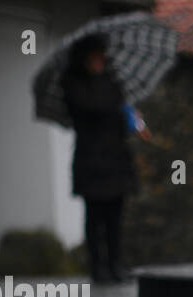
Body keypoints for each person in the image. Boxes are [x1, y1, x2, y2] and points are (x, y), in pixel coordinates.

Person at [61, 33, 151, 283]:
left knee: (115, 216)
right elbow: (93, 107)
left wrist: (132, 119)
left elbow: (117, 113)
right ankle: (97, 266)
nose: (100, 61)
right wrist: (106, 89)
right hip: (91, 159)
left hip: (116, 158)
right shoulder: (74, 84)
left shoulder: (112, 82)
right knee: (94, 216)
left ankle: (116, 263)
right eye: (95, 57)